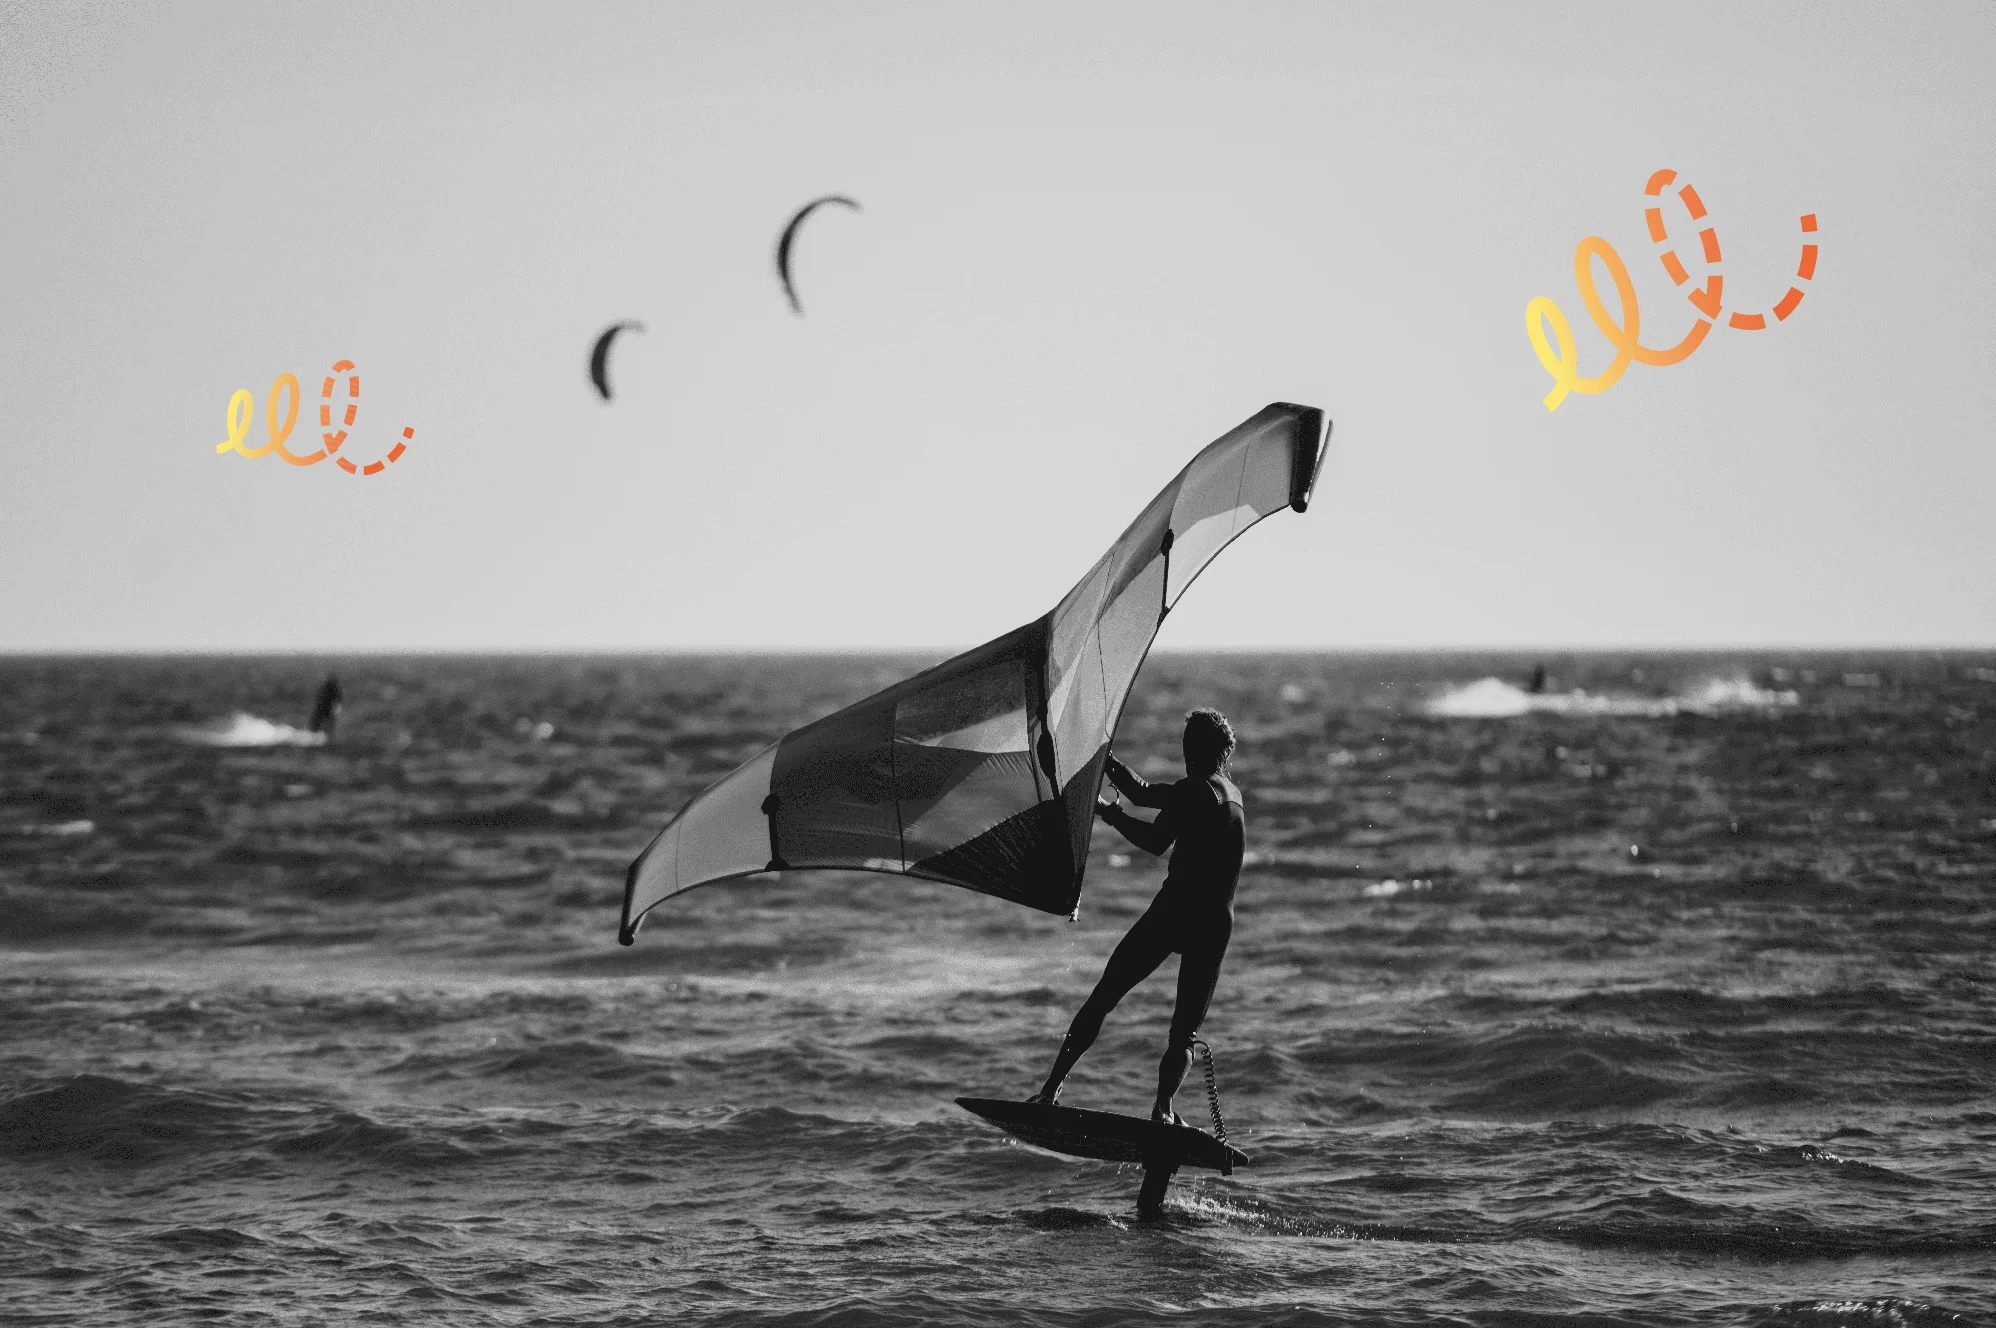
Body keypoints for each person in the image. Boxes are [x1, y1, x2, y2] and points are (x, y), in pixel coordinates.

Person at [1029, 708, 1246, 1128]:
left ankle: (1051, 1090)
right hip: (1216, 925)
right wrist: (1101, 759)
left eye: (1188, 747)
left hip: (1178, 911)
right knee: (1183, 1033)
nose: (1185, 754)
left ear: (1198, 750)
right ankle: (1163, 1111)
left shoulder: (1196, 791)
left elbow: (1154, 840)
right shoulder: (1228, 793)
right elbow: (1144, 793)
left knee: (1105, 994)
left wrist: (1106, 811)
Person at [307, 675, 343, 741]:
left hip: (325, 708)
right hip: (324, 708)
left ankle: (323, 736)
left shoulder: (327, 689)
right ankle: (325, 737)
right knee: (323, 724)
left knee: (322, 724)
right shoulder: (332, 689)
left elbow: (319, 698)